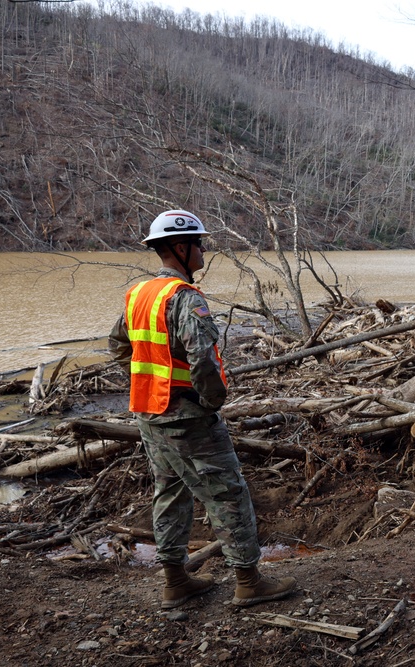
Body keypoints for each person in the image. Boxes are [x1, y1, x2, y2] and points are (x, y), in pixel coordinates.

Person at [109, 209, 297, 610]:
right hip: (188, 417)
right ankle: (248, 580)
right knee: (228, 493)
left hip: (150, 414)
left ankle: (175, 581)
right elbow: (204, 360)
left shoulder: (137, 294)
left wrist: (151, 381)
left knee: (170, 492)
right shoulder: (184, 297)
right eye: (199, 243)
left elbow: (118, 347)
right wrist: (211, 401)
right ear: (180, 247)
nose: (204, 251)